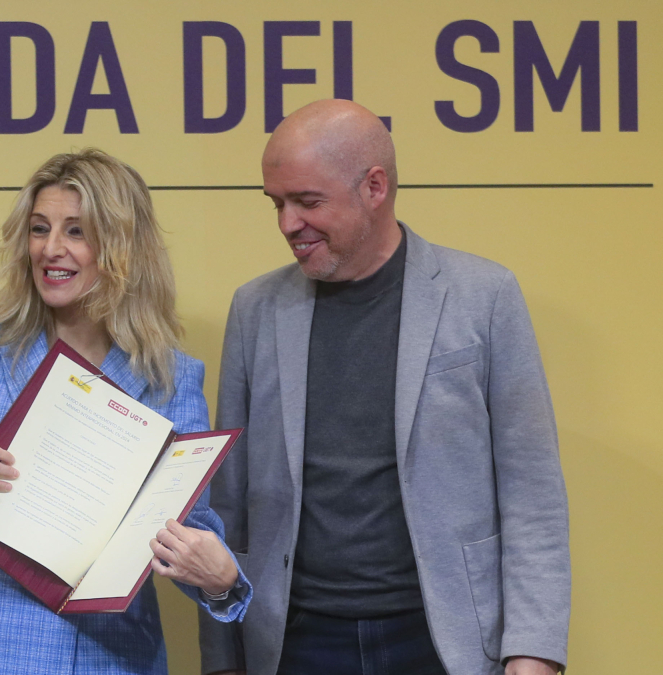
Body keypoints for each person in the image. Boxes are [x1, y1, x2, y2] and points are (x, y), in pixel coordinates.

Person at [198, 99, 570, 675]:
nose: (287, 224)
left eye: (307, 201)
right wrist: (223, 658)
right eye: (277, 203)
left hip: (446, 640)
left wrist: (535, 651)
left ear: (375, 187)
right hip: (294, 643)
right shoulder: (255, 309)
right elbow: (230, 504)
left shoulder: (485, 296)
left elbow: (532, 493)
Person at [0, 149, 252, 674]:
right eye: (39, 229)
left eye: (76, 231)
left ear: (123, 247)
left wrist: (221, 580)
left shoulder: (171, 376)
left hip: (109, 654)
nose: (50, 249)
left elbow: (186, 531)